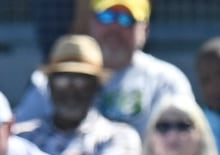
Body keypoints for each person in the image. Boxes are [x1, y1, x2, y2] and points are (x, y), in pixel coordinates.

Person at [13, 0, 195, 139]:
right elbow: (18, 139)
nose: (114, 27)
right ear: (90, 22)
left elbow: (189, 138)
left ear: (145, 29)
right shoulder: (52, 78)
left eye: (126, 20)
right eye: (106, 17)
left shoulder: (166, 81)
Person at [14, 33, 141, 155]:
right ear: (49, 85)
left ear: (97, 86)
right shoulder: (21, 137)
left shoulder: (119, 135)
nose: (71, 91)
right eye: (63, 80)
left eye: (81, 80)